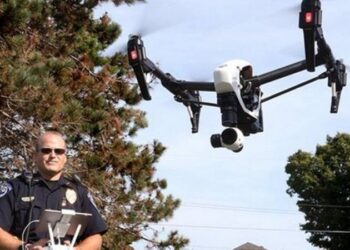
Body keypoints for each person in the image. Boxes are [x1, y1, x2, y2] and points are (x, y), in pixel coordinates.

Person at [0, 130, 107, 250]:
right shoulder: (16, 188)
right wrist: (24, 247)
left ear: (65, 157)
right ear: (35, 156)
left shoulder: (79, 191)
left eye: (59, 151)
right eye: (46, 150)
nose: (53, 155)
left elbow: (95, 236)